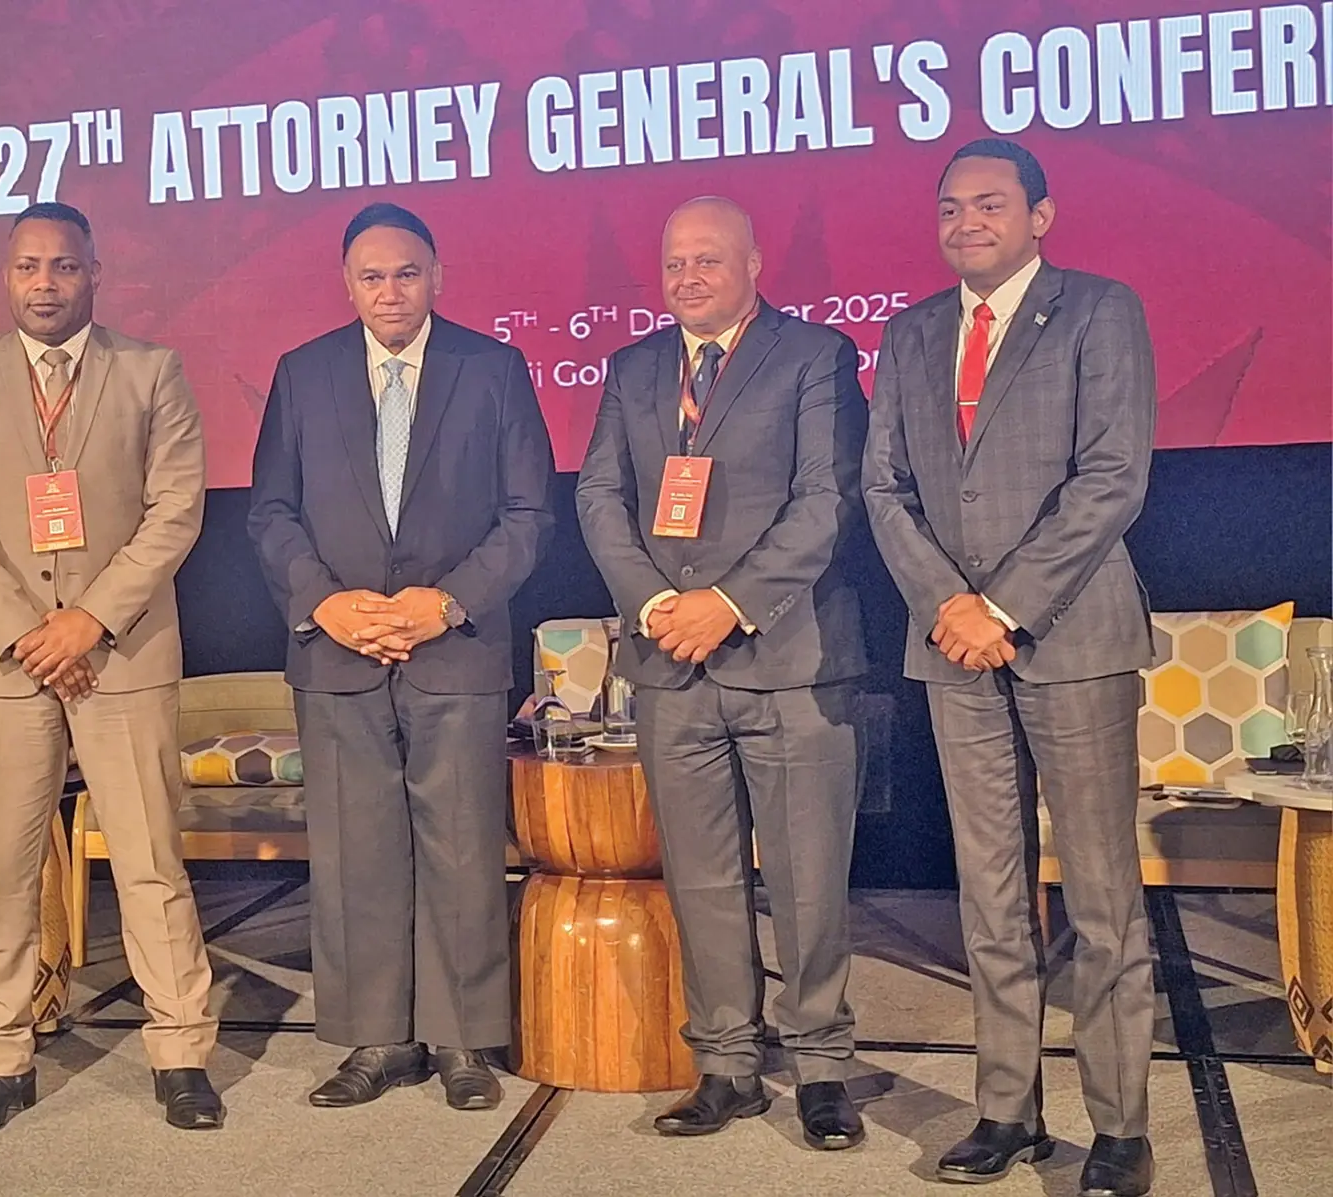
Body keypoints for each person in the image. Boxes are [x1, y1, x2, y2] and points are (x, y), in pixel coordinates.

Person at [863, 138, 1157, 1197]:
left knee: (1103, 900)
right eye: (951, 206)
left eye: (990, 204)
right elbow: (884, 488)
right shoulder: (909, 334)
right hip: (951, 650)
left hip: (1070, 639)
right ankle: (1006, 1110)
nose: (966, 221)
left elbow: (1113, 477)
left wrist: (1002, 606)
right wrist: (950, 605)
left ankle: (1122, 1128)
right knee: (989, 899)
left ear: (1041, 217)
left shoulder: (1099, 310)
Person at [0, 201, 222, 1136]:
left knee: (149, 865)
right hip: (8, 668)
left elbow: (176, 507)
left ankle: (180, 1051)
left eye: (62, 267)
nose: (44, 284)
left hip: (121, 656)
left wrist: (87, 620)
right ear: (6, 278)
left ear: (95, 273)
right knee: (3, 869)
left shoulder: (150, 371)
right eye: (27, 268)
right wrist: (27, 631)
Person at [575, 197, 871, 1147]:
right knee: (700, 880)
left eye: (707, 260)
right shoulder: (631, 369)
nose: (688, 279)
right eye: (673, 265)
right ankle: (727, 1065)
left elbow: (827, 498)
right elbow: (599, 495)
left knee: (807, 877)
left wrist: (728, 602)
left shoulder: (815, 357)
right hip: (670, 665)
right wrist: (659, 607)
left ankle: (823, 1066)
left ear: (751, 263)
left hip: (788, 660)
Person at [248, 202, 555, 1112]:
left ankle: (463, 1039)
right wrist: (327, 603)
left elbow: (528, 515)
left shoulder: (491, 369)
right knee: (355, 855)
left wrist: (446, 600)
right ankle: (376, 1039)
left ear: (438, 276)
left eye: (408, 273)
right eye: (373, 276)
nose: (391, 291)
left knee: (461, 850)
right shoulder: (302, 375)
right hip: (337, 654)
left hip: (454, 648)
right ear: (347, 284)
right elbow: (270, 513)